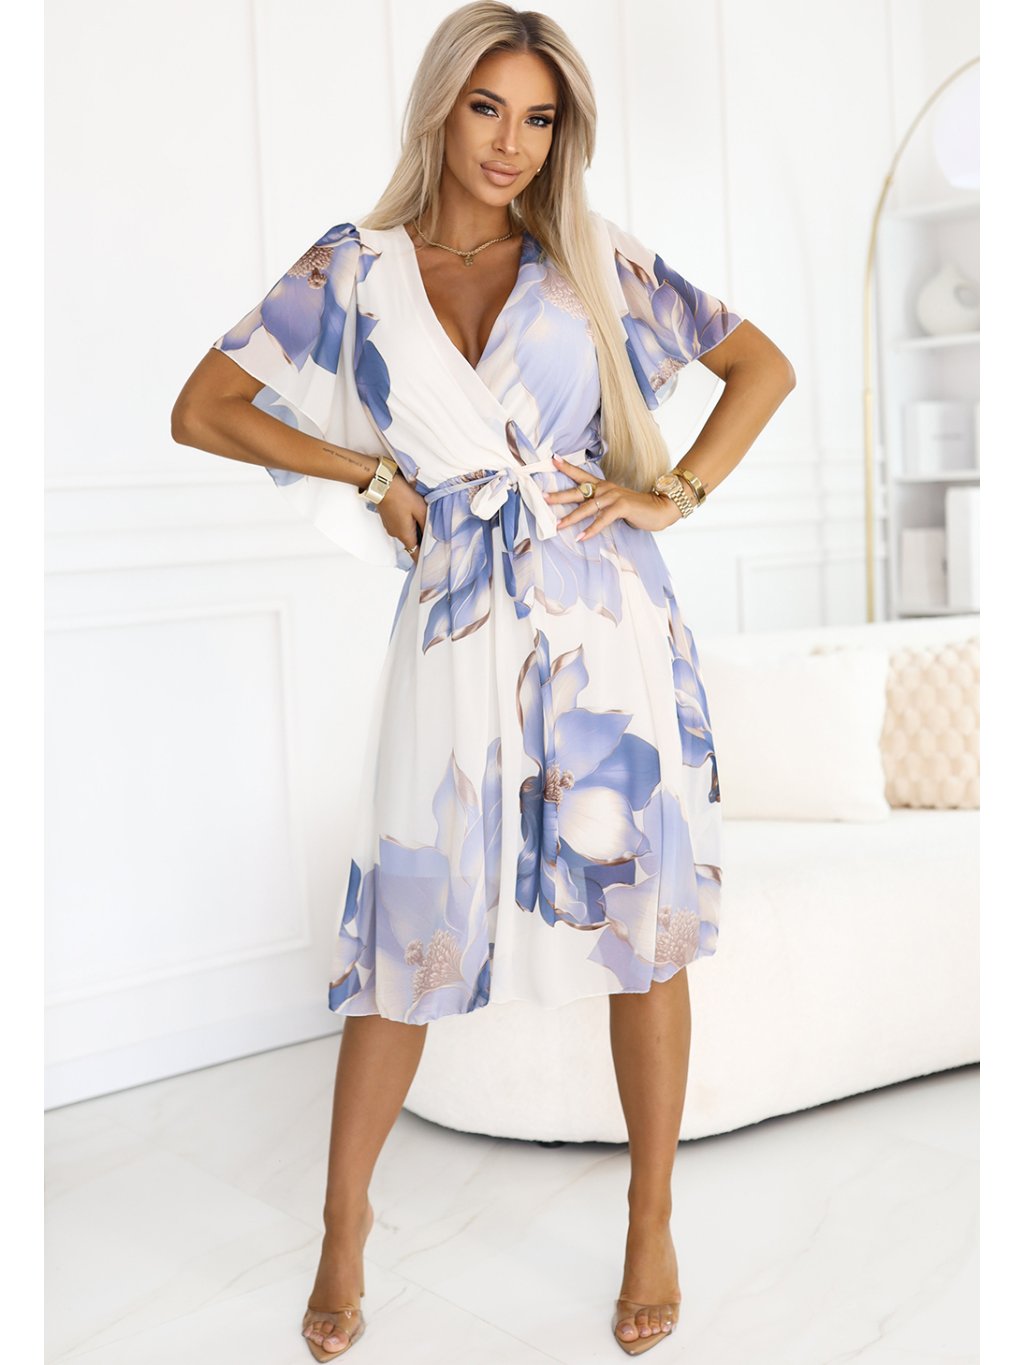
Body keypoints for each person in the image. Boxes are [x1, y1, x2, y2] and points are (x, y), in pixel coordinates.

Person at [171, 3, 795, 1356]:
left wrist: (673, 493)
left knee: (641, 924)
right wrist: (368, 473)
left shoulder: (590, 259)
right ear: (442, 108)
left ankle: (650, 1221)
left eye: (541, 118)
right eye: (488, 108)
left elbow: (760, 366)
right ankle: (344, 1224)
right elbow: (204, 408)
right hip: (455, 626)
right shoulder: (354, 269)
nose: (513, 143)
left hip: (604, 616)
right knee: (409, 921)